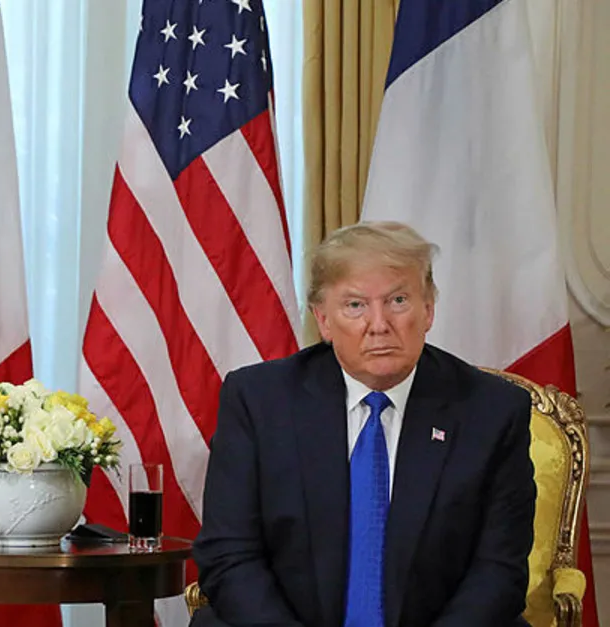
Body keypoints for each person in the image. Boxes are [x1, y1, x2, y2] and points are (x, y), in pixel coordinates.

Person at [191, 222, 535, 627]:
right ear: (323, 320)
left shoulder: (491, 410)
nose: (379, 324)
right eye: (355, 305)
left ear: (428, 310)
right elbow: (230, 554)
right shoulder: (259, 401)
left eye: (398, 300)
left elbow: (499, 571)